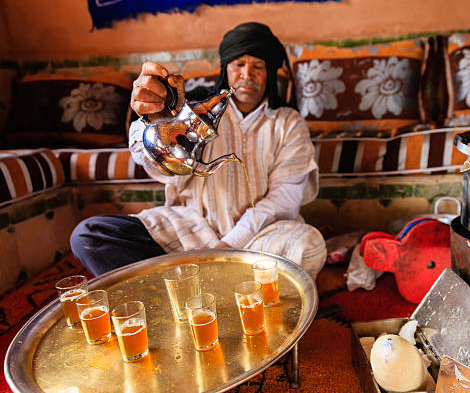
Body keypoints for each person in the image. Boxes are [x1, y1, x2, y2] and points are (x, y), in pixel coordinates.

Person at [70, 22, 326, 279]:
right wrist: (154, 121)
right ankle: (220, 286)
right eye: (238, 64)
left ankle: (187, 286)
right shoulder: (193, 113)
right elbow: (158, 166)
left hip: (257, 238)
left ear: (269, 72)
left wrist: (227, 247)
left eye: (258, 66)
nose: (247, 74)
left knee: (308, 245)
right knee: (89, 235)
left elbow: (284, 198)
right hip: (190, 230)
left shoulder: (288, 123)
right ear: (226, 69)